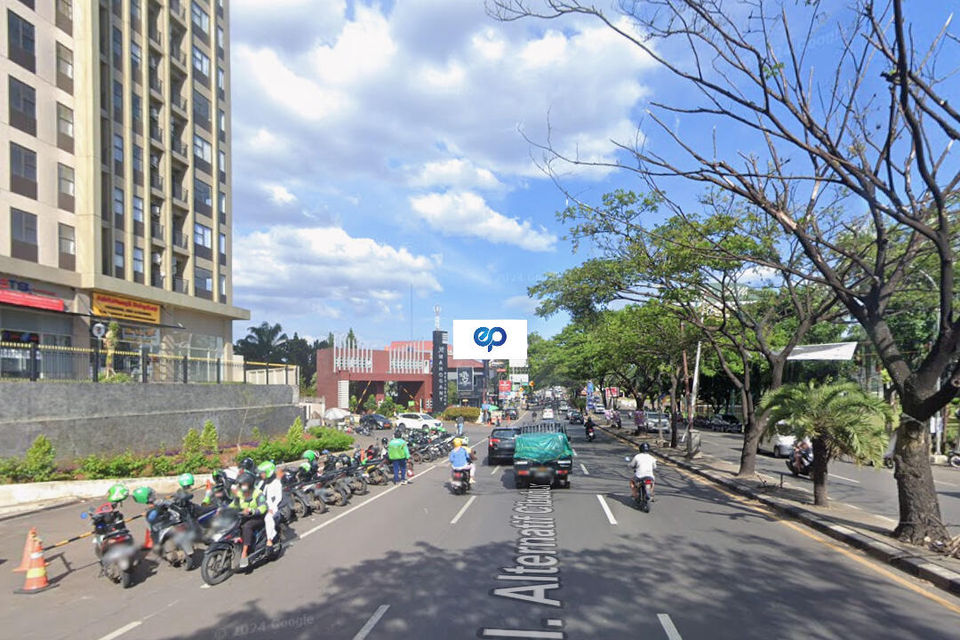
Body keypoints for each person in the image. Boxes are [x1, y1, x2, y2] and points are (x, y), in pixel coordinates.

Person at [230, 471, 267, 568]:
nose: (242, 486)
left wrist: (252, 511)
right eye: (241, 484)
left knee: (246, 527)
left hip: (257, 518)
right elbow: (234, 504)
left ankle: (244, 553)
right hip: (243, 516)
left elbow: (263, 507)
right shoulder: (240, 494)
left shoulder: (258, 493)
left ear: (250, 484)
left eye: (244, 484)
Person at [257, 461, 283, 547]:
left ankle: (269, 540)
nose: (261, 475)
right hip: (260, 506)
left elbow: (278, 498)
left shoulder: (276, 483)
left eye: (262, 473)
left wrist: (272, 508)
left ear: (269, 472)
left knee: (268, 518)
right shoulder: (261, 483)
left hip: (272, 507)